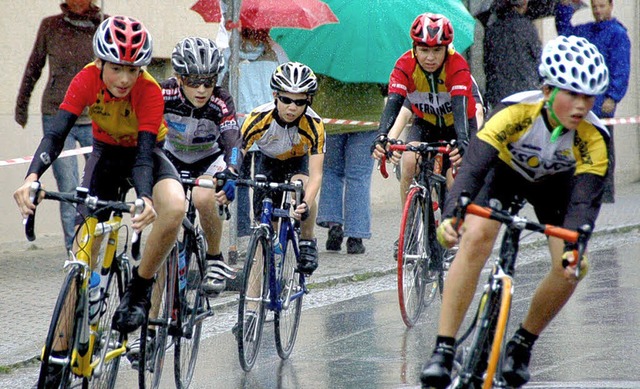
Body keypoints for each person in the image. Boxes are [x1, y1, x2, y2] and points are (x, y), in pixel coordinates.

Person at [420, 35, 610, 388]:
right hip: (503, 174)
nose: (581, 106)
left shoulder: (594, 136)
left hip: (557, 186)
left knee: (570, 268)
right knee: (476, 238)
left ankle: (521, 345)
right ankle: (443, 350)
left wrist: (575, 244)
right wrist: (452, 215)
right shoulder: (515, 111)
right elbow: (474, 167)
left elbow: (585, 200)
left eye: (589, 96)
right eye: (572, 93)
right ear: (547, 90)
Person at [14, 14, 185, 360]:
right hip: (105, 155)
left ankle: (139, 289)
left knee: (176, 206)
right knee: (80, 256)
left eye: (133, 69)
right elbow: (56, 134)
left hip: (146, 155)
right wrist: (32, 178)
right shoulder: (86, 78)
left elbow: (142, 157)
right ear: (100, 61)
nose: (124, 79)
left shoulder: (149, 90)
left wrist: (146, 199)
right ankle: (58, 358)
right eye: (116, 68)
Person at [370, 13, 478, 255]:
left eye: (437, 50)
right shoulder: (404, 65)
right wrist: (382, 137)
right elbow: (394, 104)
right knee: (409, 161)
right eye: (424, 50)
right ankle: (408, 229)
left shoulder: (457, 65)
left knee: (454, 174)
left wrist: (462, 142)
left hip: (457, 125)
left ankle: (453, 231)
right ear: (414, 48)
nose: (430, 57)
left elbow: (461, 108)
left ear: (447, 49)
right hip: (426, 123)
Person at [15, 0, 104, 252]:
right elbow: (34, 66)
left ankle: (97, 241)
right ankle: (73, 250)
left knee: (98, 182)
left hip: (95, 115)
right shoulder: (51, 26)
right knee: (69, 186)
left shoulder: (101, 25)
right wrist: (22, 106)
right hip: (58, 112)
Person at [162, 37, 242, 295]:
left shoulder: (221, 100)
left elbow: (232, 139)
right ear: (179, 77)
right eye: (193, 81)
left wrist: (231, 171)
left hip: (208, 160)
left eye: (208, 82)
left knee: (203, 197)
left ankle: (214, 258)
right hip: (172, 157)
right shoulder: (165, 93)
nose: (202, 90)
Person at [241, 61, 325, 275]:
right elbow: (237, 151)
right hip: (267, 162)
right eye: (286, 100)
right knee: (265, 231)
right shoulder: (258, 117)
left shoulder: (314, 124)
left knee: (303, 187)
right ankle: (253, 305)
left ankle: (307, 240)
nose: (292, 107)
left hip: (297, 162)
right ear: (275, 96)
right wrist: (230, 174)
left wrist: (305, 203)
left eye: (299, 102)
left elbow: (316, 175)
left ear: (308, 101)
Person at [555, 0, 630, 203]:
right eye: (595, 6)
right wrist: (565, 8)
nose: (597, 10)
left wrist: (613, 97)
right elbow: (565, 34)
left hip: (602, 103)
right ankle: (584, 192)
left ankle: (605, 193)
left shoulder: (617, 34)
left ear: (611, 6)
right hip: (584, 101)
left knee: (603, 148)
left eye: (602, 6)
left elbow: (621, 67)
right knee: (581, 147)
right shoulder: (587, 31)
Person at [230, 28, 290, 238]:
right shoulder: (276, 52)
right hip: (269, 126)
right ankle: (261, 221)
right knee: (263, 178)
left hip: (240, 127)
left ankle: (241, 227)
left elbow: (219, 82)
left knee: (240, 176)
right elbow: (288, 84)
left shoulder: (231, 50)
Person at [484, 0, 542, 108]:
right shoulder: (526, 27)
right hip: (526, 93)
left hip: (501, 96)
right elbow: (539, 59)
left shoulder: (492, 29)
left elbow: (488, 66)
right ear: (523, 4)